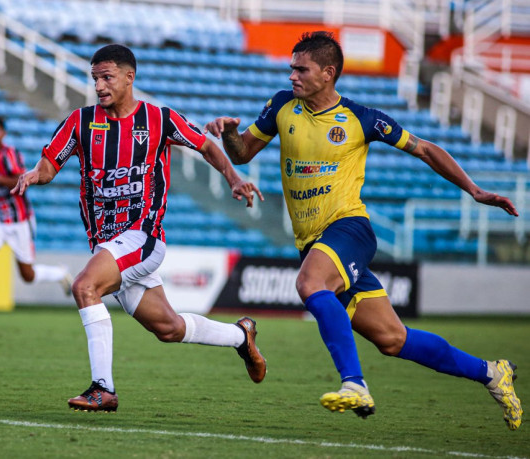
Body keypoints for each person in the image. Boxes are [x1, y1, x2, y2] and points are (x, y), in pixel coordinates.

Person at [205, 31, 522, 430]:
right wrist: (230, 131)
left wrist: (473, 190)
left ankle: (354, 383)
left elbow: (424, 148)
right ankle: (492, 372)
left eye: (301, 69)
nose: (292, 76)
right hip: (313, 241)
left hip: (349, 227)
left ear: (328, 73)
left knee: (310, 285)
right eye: (291, 68)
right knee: (393, 339)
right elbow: (243, 152)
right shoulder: (282, 105)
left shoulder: (362, 118)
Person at [12, 44, 267, 412]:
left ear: (129, 77)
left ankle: (103, 388)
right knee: (169, 329)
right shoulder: (80, 122)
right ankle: (240, 336)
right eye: (95, 78)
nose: (99, 86)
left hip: (142, 236)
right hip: (106, 243)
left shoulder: (158, 119)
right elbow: (49, 167)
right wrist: (35, 175)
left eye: (106, 77)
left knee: (85, 287)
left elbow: (207, 147)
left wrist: (233, 177)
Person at [0, 116, 73, 333]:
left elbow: (20, 181)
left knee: (28, 275)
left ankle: (59, 273)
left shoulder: (9, 154)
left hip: (19, 220)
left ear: (3, 134)